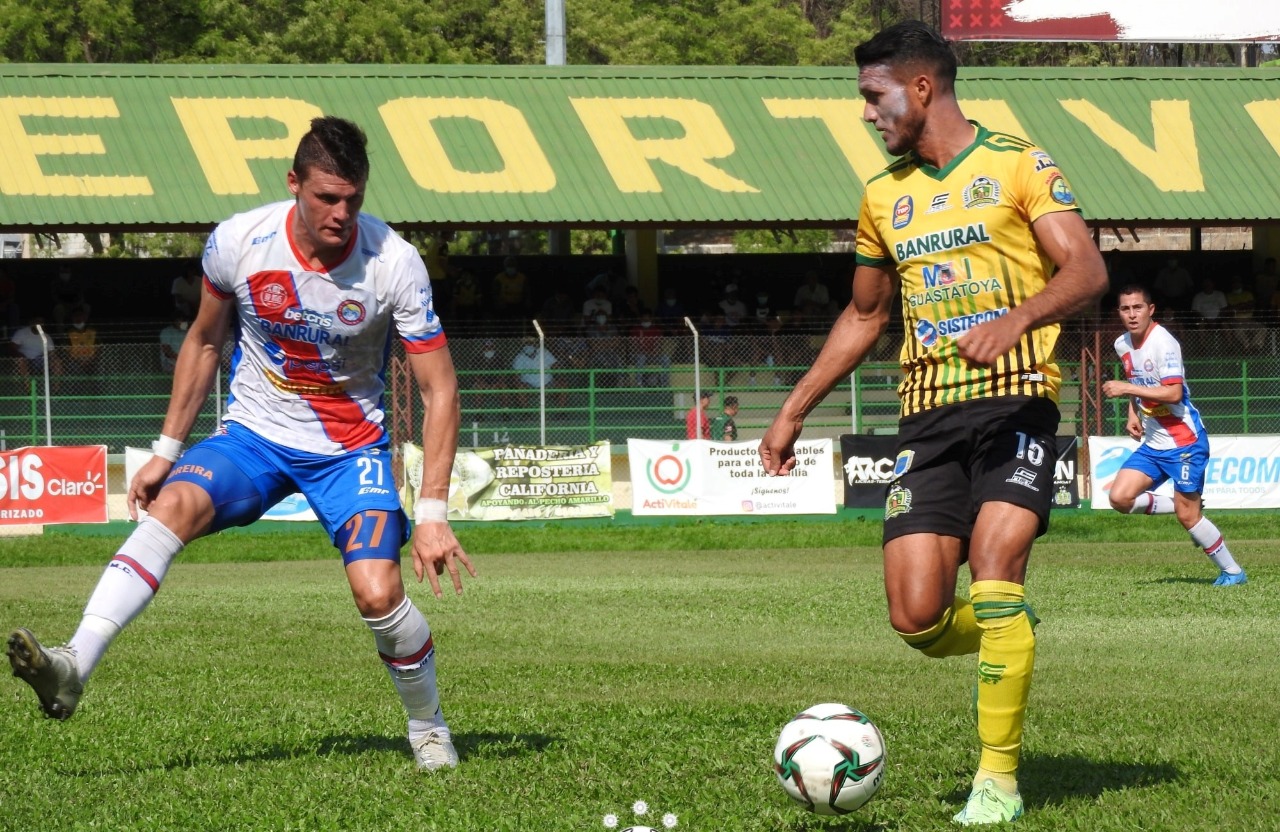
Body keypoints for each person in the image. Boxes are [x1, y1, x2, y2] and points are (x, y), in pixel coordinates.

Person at [6, 116, 476, 774]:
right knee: (169, 507)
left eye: (353, 199)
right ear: (294, 185)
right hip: (255, 433)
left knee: (376, 593)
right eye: (326, 198)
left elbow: (441, 389)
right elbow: (203, 341)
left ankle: (427, 726)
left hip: (350, 450)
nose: (341, 214)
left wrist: (431, 514)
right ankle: (72, 664)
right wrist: (167, 449)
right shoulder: (240, 242)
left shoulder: (393, 263)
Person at [757, 21, 1107, 826]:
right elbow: (864, 313)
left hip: (1018, 400)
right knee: (915, 618)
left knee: (994, 567)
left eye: (873, 96)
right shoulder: (885, 194)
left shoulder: (1019, 161)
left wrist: (1017, 320)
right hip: (927, 420)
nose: (868, 113)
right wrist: (792, 410)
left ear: (920, 87)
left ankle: (998, 782)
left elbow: (1086, 268)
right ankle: (1007, 631)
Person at [1101, 286, 1246, 587]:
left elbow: (1173, 392)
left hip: (1184, 442)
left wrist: (1127, 390)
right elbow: (1136, 379)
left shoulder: (1164, 343)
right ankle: (1185, 507)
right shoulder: (1121, 344)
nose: (1132, 314)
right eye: (1125, 309)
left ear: (1150, 309)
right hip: (1154, 444)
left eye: (1137, 308)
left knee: (1188, 518)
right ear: (1119, 313)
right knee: (1119, 497)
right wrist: (1133, 413)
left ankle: (1233, 571)